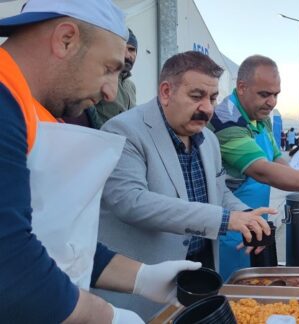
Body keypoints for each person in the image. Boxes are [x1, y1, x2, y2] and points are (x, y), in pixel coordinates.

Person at [0, 1, 200, 322]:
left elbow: (56, 242)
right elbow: (10, 263)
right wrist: (106, 316)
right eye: (109, 68)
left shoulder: (36, 111)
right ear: (66, 39)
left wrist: (141, 276)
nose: (110, 92)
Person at [96, 51, 273, 319]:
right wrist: (226, 220)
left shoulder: (208, 140)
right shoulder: (124, 131)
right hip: (140, 293)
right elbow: (131, 202)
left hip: (199, 277)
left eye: (212, 98)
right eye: (196, 96)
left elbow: (219, 191)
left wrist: (246, 217)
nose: (207, 108)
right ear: (166, 92)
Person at [208, 54, 299, 278]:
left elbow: (276, 158)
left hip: (256, 222)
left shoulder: (260, 116)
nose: (272, 102)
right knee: (233, 293)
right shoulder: (226, 120)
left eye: (276, 95)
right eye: (265, 94)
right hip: (230, 229)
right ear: (242, 87)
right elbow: (261, 169)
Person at [63, 28, 137, 129]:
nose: (128, 55)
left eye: (132, 50)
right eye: (125, 49)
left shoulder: (130, 87)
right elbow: (88, 110)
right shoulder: (98, 76)